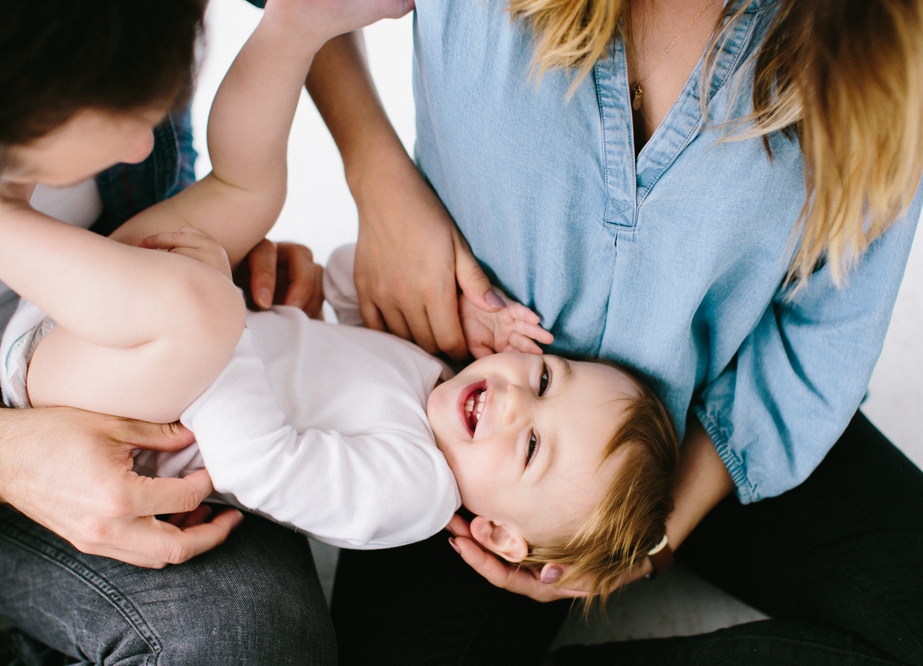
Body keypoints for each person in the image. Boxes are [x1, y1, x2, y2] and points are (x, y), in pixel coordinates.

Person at [323, 0, 923, 664]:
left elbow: (830, 328)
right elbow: (294, 15)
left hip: (718, 418)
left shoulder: (892, 35)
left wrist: (659, 529)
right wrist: (375, 174)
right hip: (466, 436)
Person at [0, 0, 396, 663]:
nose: (145, 146)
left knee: (246, 643)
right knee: (197, 312)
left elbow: (237, 180)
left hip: (103, 315)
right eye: (118, 117)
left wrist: (381, 181)